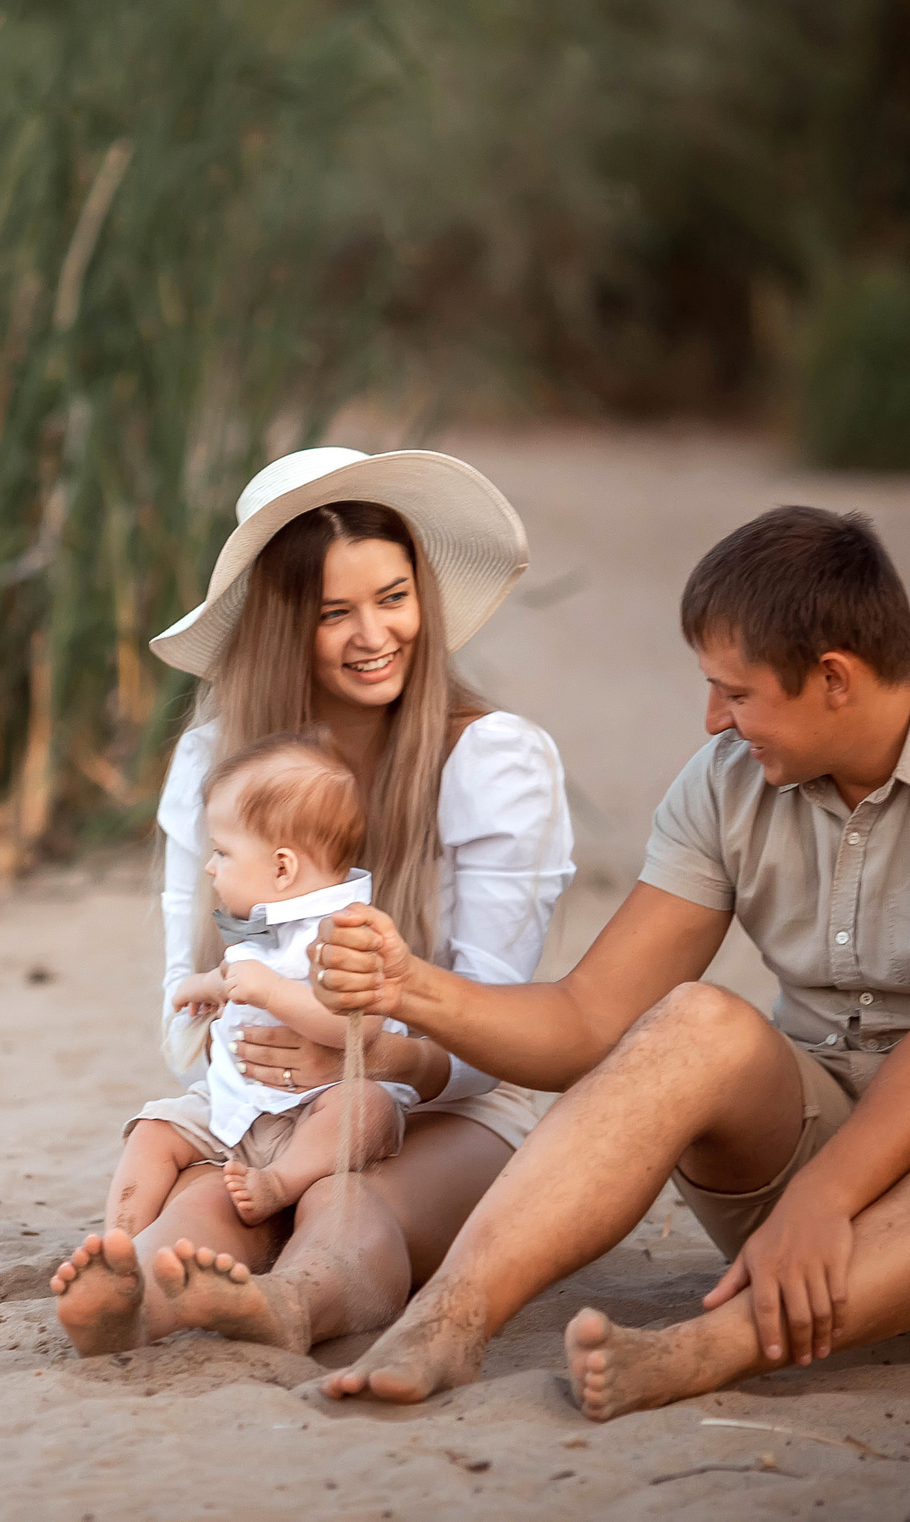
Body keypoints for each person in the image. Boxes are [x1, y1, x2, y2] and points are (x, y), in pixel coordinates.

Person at [308, 505, 910, 1421]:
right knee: (695, 1018)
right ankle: (450, 1317)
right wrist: (411, 987)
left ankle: (700, 1353)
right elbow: (589, 1018)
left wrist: (826, 1197)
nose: (713, 721)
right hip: (788, 1212)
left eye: (734, 694)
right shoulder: (728, 779)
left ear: (833, 678)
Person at [48, 446, 574, 1358]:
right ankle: (130, 1301)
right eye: (335, 612)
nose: (375, 634)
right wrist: (255, 1048)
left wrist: (362, 1047)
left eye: (395, 597)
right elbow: (181, 1005)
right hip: (262, 1104)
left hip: (443, 1103)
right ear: (286, 626)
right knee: (211, 1197)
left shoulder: (492, 761)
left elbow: (492, 1030)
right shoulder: (216, 764)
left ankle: (297, 1304)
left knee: (342, 1189)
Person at [111, 730, 414, 1238]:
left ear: (282, 867)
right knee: (151, 1131)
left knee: (368, 1107)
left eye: (224, 853)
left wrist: (273, 992)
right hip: (236, 1104)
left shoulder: (348, 929)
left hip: (314, 1111)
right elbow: (238, 975)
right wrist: (204, 986)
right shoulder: (260, 922)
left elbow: (362, 1027)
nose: (210, 866)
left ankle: (282, 1181)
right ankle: (117, 1240)